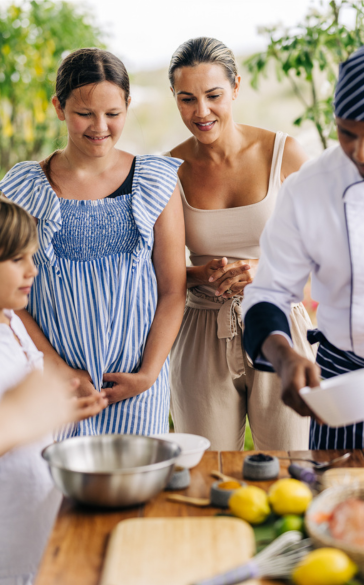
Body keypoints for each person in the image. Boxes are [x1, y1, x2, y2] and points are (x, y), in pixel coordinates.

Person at [0, 48, 186, 438]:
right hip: (53, 388)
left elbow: (172, 290)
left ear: (127, 106)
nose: (99, 126)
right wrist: (59, 372)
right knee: (56, 493)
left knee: (134, 492)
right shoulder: (23, 186)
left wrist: (148, 374)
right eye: (85, 114)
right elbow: (8, 298)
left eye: (113, 114)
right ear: (58, 107)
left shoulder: (155, 180)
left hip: (136, 388)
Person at [166, 37, 315, 451]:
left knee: (291, 467)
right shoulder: (168, 170)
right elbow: (160, 268)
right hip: (201, 334)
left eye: (213, 95)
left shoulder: (284, 154)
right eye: (187, 99)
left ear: (235, 87)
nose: (201, 112)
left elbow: (327, 257)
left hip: (282, 326)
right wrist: (202, 273)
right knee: (206, 472)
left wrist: (264, 273)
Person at [243, 44, 364, 450]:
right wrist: (285, 355)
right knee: (334, 506)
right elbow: (267, 294)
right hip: (346, 390)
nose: (362, 153)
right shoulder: (310, 187)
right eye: (347, 133)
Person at [0, 196, 107, 585]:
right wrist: (23, 414)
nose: (33, 270)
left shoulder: (13, 321)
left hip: (38, 531)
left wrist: (61, 409)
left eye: (32, 257)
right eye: (16, 260)